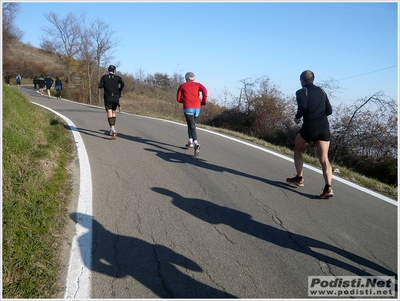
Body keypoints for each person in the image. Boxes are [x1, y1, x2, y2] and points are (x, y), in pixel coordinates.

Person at [286, 70, 334, 199]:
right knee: (324, 158)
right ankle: (328, 187)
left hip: (310, 127)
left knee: (297, 149)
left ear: (302, 80)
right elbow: (329, 110)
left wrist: (297, 117)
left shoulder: (301, 92)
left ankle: (299, 177)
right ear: (313, 79)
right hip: (324, 128)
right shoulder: (322, 91)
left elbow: (303, 107)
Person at [176, 72, 207, 156]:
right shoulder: (198, 85)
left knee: (191, 125)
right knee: (191, 124)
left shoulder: (182, 86)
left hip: (188, 107)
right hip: (197, 108)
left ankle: (196, 143)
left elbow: (178, 99)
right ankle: (190, 141)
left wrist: (185, 101)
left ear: (186, 78)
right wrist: (203, 101)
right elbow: (204, 90)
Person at [98, 65, 125, 139]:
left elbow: (100, 86)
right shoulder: (118, 78)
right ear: (114, 71)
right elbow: (123, 84)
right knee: (113, 112)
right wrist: (119, 89)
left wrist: (101, 84)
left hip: (108, 97)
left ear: (108, 70)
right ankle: (112, 129)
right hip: (116, 97)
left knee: (109, 112)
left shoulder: (104, 77)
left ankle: (112, 128)